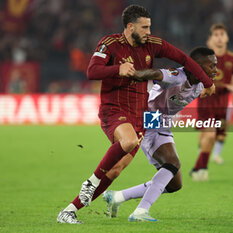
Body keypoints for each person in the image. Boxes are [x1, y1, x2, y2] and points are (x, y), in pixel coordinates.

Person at [57, 5, 215, 224]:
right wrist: (117, 69)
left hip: (141, 116)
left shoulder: (152, 45)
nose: (149, 32)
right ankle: (92, 182)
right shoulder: (110, 44)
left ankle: (69, 210)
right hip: (115, 109)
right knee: (134, 143)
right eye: (145, 27)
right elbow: (92, 71)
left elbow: (185, 59)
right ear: (130, 27)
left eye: (150, 27)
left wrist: (207, 82)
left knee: (114, 171)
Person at [102, 47, 217, 222]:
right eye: (212, 66)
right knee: (172, 163)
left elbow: (207, 87)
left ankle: (117, 197)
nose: (216, 70)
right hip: (149, 117)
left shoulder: (202, 83)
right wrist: (132, 73)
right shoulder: (176, 76)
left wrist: (210, 85)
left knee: (174, 184)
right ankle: (140, 211)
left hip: (164, 122)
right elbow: (155, 74)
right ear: (197, 67)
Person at [191, 24, 233, 181]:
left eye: (222, 34)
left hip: (223, 103)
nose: (220, 37)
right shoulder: (203, 58)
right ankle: (201, 169)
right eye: (216, 34)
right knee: (210, 135)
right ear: (210, 39)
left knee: (213, 138)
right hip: (206, 102)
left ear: (227, 38)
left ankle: (198, 168)